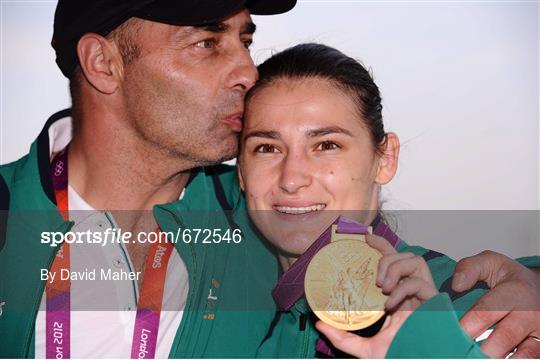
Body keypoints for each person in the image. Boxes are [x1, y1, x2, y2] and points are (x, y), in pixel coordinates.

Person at [0, 1, 539, 358]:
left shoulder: (274, 226)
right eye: (207, 43)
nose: (248, 71)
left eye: (245, 39)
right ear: (103, 63)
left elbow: (414, 279)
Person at [237, 43, 540, 358]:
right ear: (242, 173)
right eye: (266, 148)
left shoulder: (469, 309)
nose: (291, 178)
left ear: (385, 159)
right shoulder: (226, 311)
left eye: (326, 145)